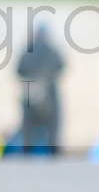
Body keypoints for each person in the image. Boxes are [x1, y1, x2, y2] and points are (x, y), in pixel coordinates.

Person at [16, 25, 64, 155]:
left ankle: (26, 154)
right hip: (50, 97)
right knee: (52, 128)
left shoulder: (27, 52)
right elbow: (61, 66)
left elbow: (19, 70)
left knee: (27, 128)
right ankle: (54, 154)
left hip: (29, 97)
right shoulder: (52, 51)